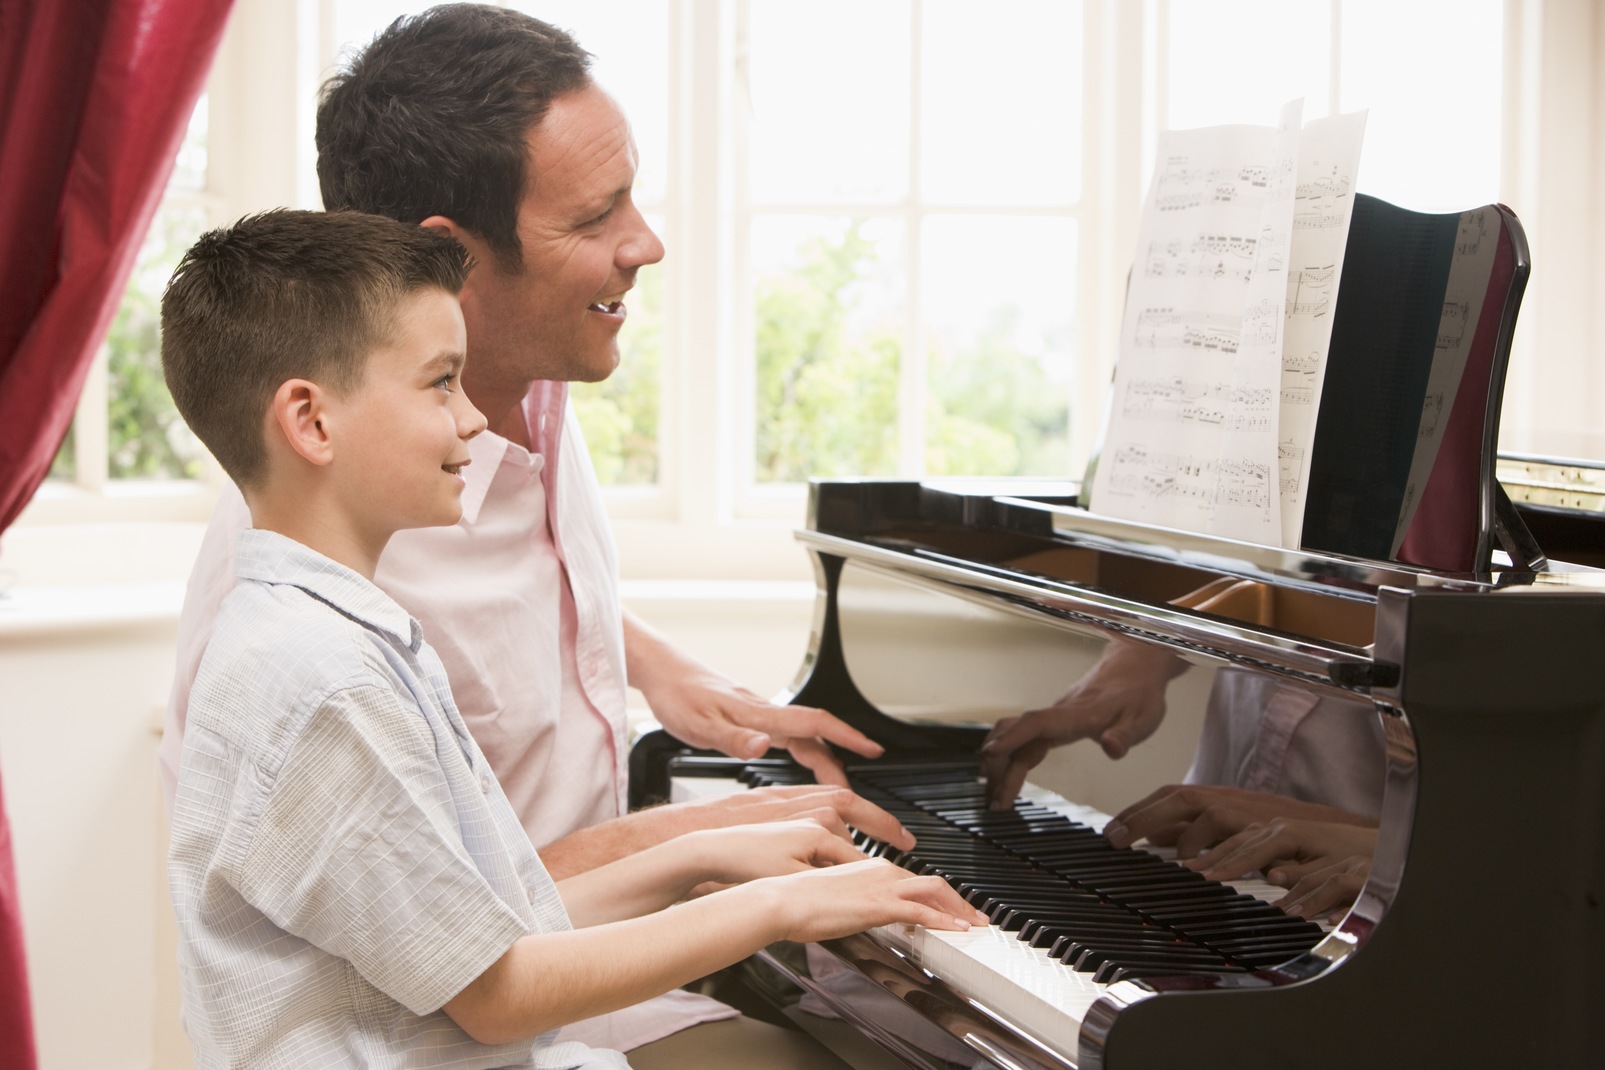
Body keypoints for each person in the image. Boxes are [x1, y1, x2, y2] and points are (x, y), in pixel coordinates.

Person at [157, 6, 912, 1057]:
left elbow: (507, 615)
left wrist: (647, 658)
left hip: (570, 977)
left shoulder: (511, 404)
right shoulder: (349, 593)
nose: (645, 243)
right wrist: (720, 851)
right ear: (450, 258)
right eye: (596, 216)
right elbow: (469, 936)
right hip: (510, 1014)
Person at [979, 576, 1383, 916]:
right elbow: (1306, 590)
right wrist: (1143, 648)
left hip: (1361, 911)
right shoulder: (1313, 570)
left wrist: (1383, 845)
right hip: (1203, 875)